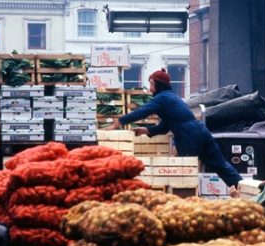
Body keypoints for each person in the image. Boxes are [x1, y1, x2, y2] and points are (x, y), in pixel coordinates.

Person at [102, 68, 242, 197]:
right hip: (201, 132)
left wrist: (119, 122)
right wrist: (146, 130)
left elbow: (142, 111)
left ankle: (186, 200)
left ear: (159, 84)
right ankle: (243, 189)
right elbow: (165, 126)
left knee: (185, 172)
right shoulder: (171, 97)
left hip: (188, 136)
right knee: (221, 165)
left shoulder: (162, 98)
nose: (150, 87)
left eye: (152, 83)